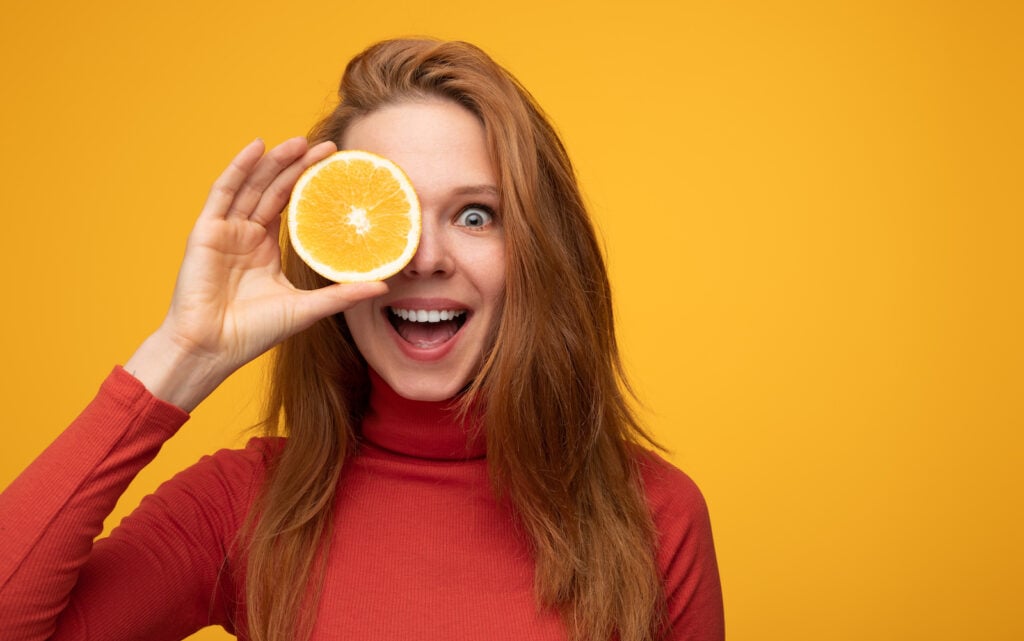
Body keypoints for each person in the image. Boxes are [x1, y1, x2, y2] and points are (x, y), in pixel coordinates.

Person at [0, 38, 724, 641]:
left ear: (538, 249)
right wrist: (182, 352)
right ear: (326, 253)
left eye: (475, 215)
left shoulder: (653, 514)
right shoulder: (245, 504)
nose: (424, 256)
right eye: (391, 214)